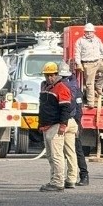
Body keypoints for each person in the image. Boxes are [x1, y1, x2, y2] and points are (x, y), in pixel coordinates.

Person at [37, 62, 73, 192]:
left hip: (55, 125)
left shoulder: (61, 87)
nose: (48, 78)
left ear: (56, 74)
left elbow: (65, 108)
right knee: (51, 156)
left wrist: (63, 125)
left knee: (56, 156)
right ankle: (54, 180)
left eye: (51, 75)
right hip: (47, 126)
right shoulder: (46, 87)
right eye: (47, 75)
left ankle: (58, 182)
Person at [58, 63, 87, 187]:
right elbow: (79, 107)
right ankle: (78, 177)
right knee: (73, 151)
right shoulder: (74, 85)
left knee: (71, 151)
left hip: (69, 121)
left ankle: (81, 175)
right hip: (74, 121)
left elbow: (76, 107)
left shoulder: (64, 86)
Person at [74, 23, 103, 107]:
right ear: (84, 32)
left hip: (98, 61)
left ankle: (98, 86)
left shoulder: (97, 40)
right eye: (87, 32)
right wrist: (78, 64)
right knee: (89, 84)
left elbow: (102, 49)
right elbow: (77, 53)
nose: (89, 33)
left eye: (90, 32)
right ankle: (91, 103)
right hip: (88, 63)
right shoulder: (80, 41)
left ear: (93, 32)